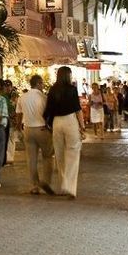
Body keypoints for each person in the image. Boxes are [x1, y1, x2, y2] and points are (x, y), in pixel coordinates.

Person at [45, 66, 84, 198]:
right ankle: (69, 187)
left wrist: (49, 125)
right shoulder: (72, 89)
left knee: (59, 154)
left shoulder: (53, 90)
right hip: (70, 121)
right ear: (69, 76)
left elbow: (48, 110)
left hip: (57, 122)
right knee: (72, 153)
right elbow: (78, 109)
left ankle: (63, 185)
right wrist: (82, 126)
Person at [19, 75, 53, 195]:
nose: (43, 86)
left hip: (28, 128)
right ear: (38, 83)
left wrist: (19, 126)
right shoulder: (43, 97)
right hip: (42, 129)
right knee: (47, 156)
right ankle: (46, 181)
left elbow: (19, 113)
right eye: (42, 83)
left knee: (31, 159)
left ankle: (34, 186)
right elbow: (48, 113)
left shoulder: (22, 97)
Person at [2, 79, 20, 165]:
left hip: (12, 121)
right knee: (6, 139)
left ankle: (10, 158)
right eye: (6, 86)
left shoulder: (15, 95)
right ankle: (6, 157)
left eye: (9, 86)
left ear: (11, 87)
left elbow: (17, 108)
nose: (8, 88)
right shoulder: (2, 96)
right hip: (5, 120)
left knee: (11, 139)